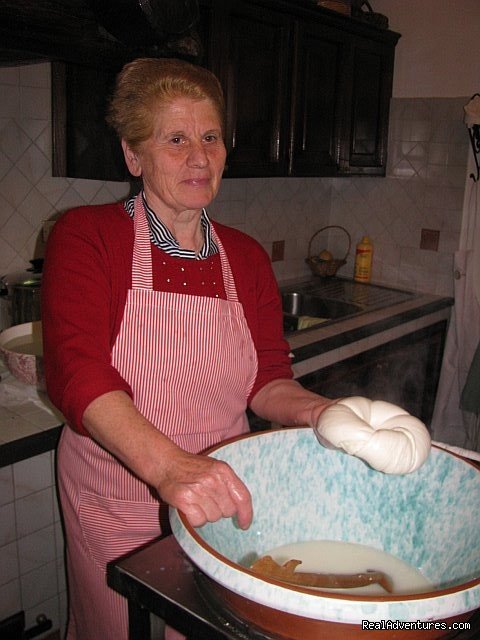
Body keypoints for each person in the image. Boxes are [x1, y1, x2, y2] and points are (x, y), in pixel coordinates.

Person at [42, 57, 336, 640]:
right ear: (133, 155)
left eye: (210, 138)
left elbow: (267, 380)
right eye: (175, 139)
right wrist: (171, 469)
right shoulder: (87, 236)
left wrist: (325, 412)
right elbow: (78, 375)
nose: (199, 157)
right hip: (119, 500)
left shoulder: (246, 257)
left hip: (219, 497)